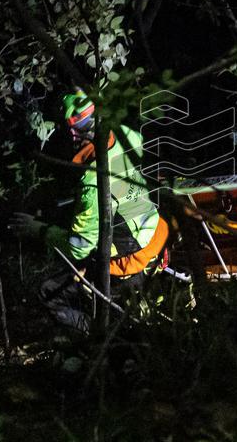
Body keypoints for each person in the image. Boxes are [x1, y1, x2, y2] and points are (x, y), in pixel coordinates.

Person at [10, 90, 168, 333]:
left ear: (74, 133)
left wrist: (39, 230)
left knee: (49, 293)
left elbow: (79, 244)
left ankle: (95, 336)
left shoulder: (93, 184)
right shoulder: (128, 136)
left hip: (127, 263)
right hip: (155, 238)